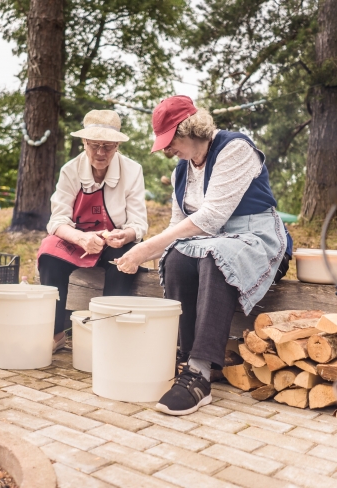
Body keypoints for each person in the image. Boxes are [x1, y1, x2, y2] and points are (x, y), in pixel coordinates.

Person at [115, 95, 290, 416]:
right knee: (178, 257)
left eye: (170, 142)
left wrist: (144, 248)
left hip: (257, 238)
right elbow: (177, 226)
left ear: (192, 130)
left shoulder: (235, 149)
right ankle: (187, 355)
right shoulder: (183, 172)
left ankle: (198, 374)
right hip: (214, 240)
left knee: (212, 256)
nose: (166, 151)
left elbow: (210, 218)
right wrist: (158, 250)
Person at [37, 109, 148, 352]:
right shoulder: (70, 170)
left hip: (114, 241)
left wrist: (124, 235)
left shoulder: (132, 171)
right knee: (48, 254)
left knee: (126, 257)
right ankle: (55, 333)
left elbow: (138, 224)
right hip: (77, 238)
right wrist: (80, 238)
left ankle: (109, 334)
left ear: (117, 145)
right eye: (94, 145)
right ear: (84, 142)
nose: (100, 153)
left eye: (108, 146)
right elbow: (56, 221)